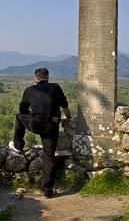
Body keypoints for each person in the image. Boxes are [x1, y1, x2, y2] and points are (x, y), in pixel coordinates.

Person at [9, 68, 71, 198]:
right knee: (49, 158)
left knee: (18, 116)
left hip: (36, 123)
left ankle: (18, 146)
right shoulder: (55, 87)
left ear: (35, 79)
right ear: (48, 78)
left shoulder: (30, 90)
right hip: (52, 126)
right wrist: (68, 118)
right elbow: (64, 105)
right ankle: (48, 191)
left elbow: (23, 110)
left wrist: (35, 114)